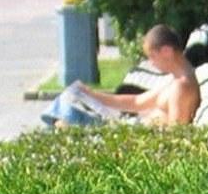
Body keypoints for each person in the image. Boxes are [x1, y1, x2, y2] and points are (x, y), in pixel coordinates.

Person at [68, 24, 199, 126]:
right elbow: (136, 102)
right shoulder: (175, 80)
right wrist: (90, 94)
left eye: (152, 56)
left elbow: (176, 132)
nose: (151, 63)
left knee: (67, 119)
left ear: (166, 51)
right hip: (133, 126)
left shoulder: (182, 87)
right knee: (68, 109)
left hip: (137, 137)